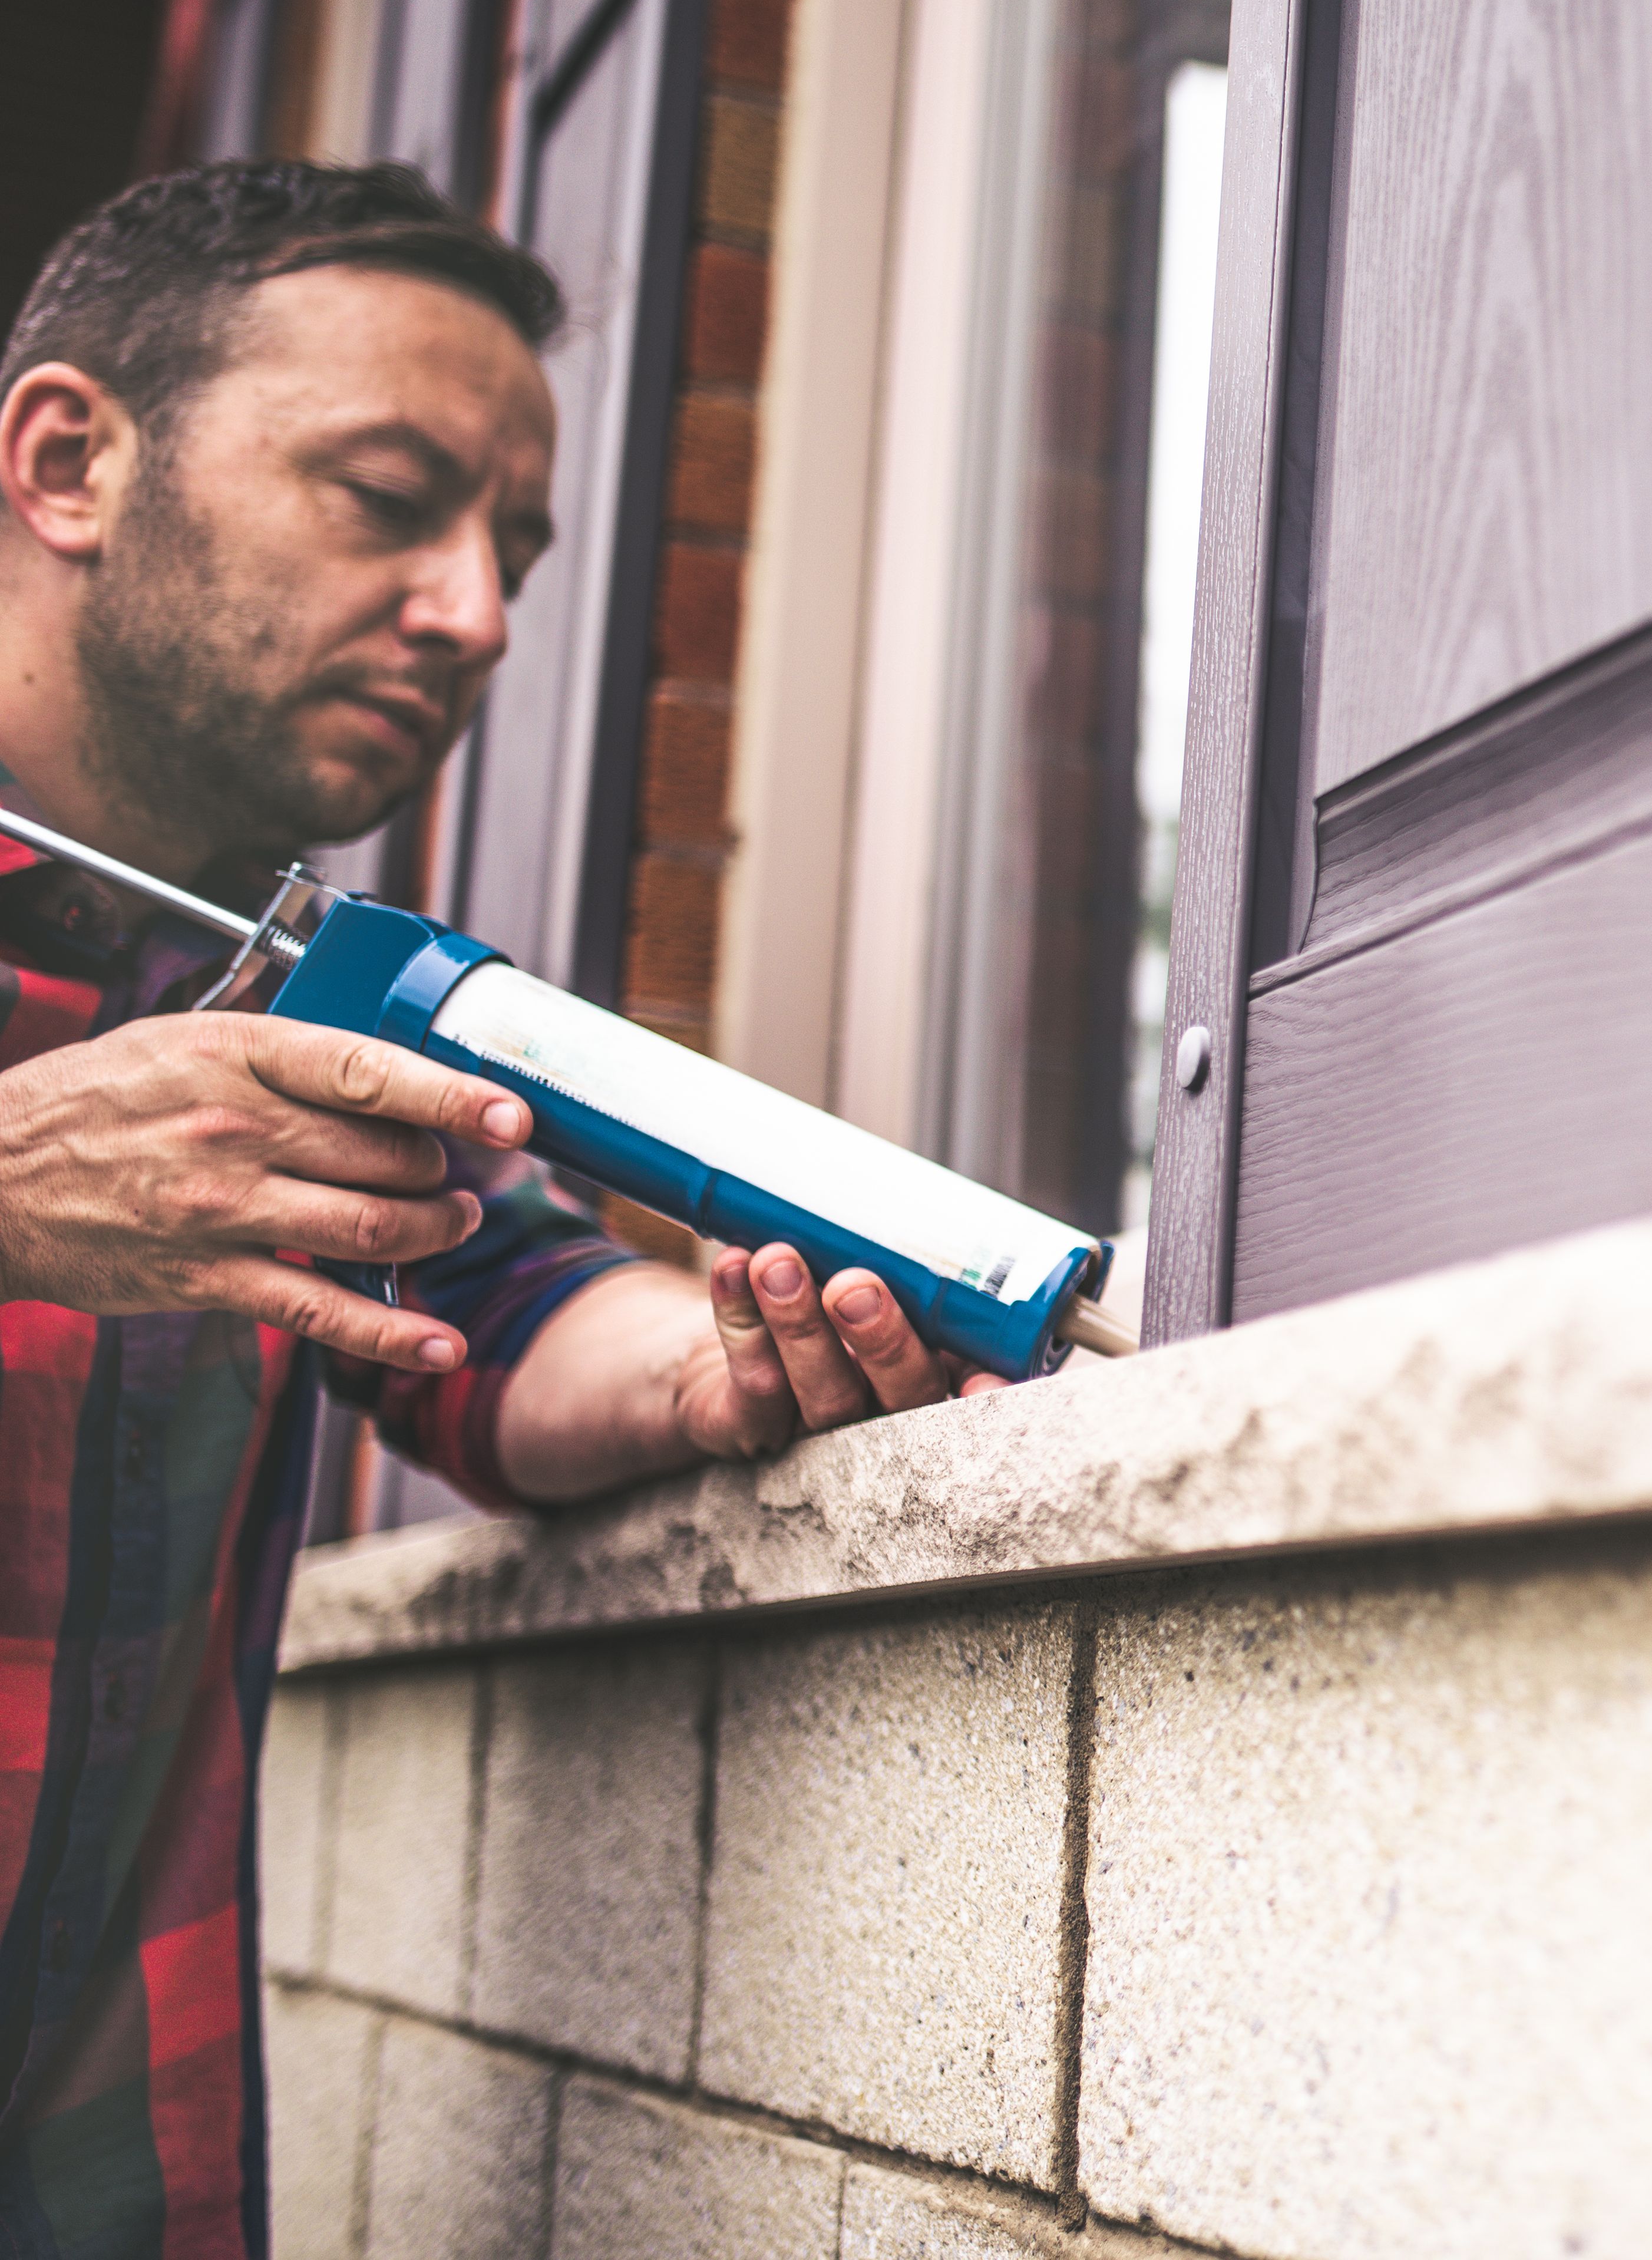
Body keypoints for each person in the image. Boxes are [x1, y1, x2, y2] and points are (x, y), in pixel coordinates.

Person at [0, 161, 999, 2254]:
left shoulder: (278, 978)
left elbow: (509, 1306)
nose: (479, 613)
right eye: (388, 495)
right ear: (71, 462)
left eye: (510, 544)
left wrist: (733, 1360)